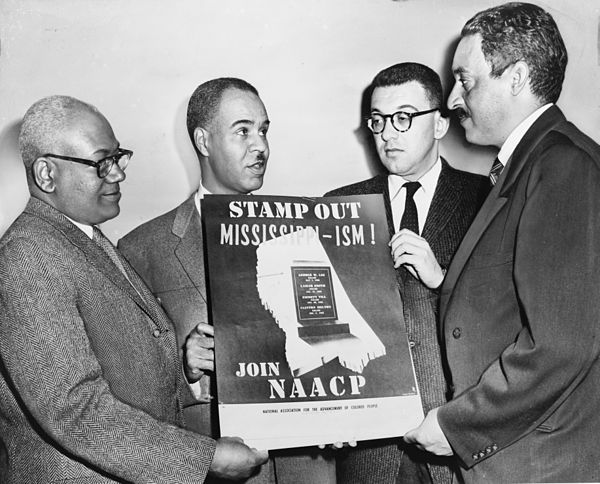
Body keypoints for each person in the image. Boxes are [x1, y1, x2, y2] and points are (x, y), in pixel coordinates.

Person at [0, 95, 268, 483]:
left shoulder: (87, 240)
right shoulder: (28, 256)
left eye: (118, 157)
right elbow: (74, 408)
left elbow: (126, 369)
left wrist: (186, 368)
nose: (118, 175)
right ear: (46, 174)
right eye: (101, 163)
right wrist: (207, 458)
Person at [403, 3, 600, 483]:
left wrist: (457, 426)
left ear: (517, 78)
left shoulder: (563, 166)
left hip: (540, 465)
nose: (451, 99)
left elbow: (562, 344)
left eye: (465, 80)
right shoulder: (533, 163)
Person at [119, 78, 336, 484]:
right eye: (243, 131)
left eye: (264, 130)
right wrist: (185, 369)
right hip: (215, 469)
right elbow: (128, 391)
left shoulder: (307, 231)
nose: (261, 146)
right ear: (203, 141)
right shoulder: (141, 250)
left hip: (306, 468)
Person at [325, 62, 489, 484]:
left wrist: (443, 277)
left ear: (438, 124)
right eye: (378, 121)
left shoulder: (487, 199)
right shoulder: (339, 206)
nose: (387, 134)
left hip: (453, 439)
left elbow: (508, 311)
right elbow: (324, 319)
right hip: (367, 448)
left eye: (403, 117)